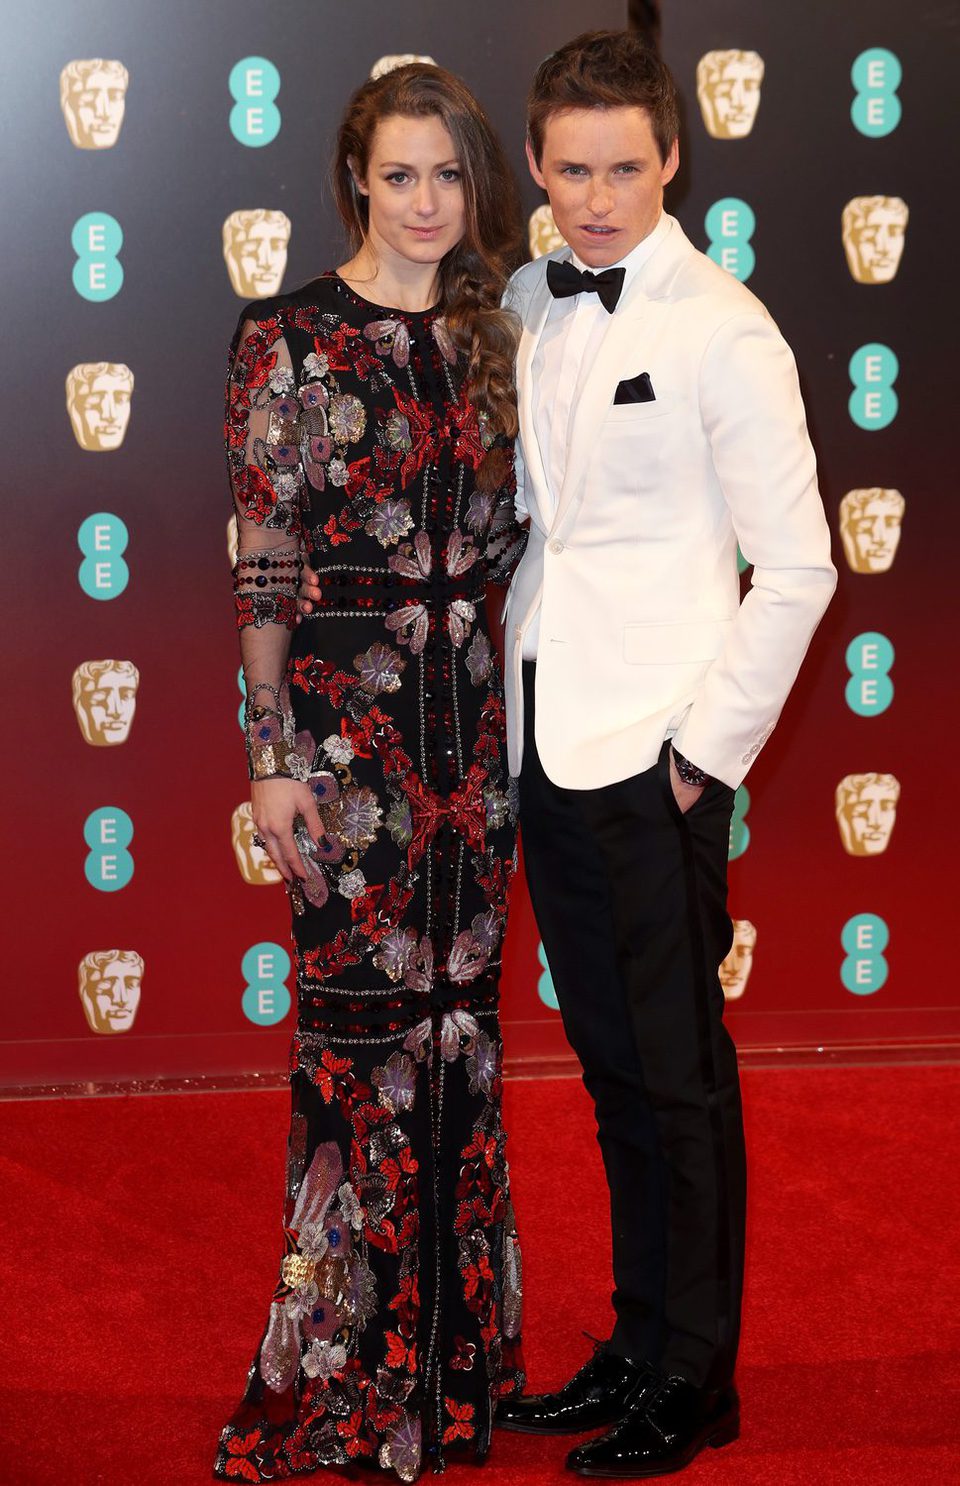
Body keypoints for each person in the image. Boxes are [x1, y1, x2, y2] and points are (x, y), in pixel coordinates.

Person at [304, 30, 838, 1479]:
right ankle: (637, 1340)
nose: (597, 197)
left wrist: (701, 754)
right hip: (539, 735)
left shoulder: (727, 326)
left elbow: (800, 568)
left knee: (676, 1073)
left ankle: (696, 1378)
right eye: (572, 168)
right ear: (532, 169)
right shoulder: (529, 302)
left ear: (671, 161)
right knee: (610, 1067)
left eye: (625, 166)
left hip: (653, 755)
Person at [215, 63, 527, 1483]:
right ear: (355, 179)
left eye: (448, 178)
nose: (423, 205)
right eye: (399, 176)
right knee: (355, 1054)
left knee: (460, 1043)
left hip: (476, 759)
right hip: (346, 758)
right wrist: (270, 760)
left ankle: (453, 1380)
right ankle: (343, 1378)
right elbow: (265, 568)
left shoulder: (497, 333)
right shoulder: (283, 338)